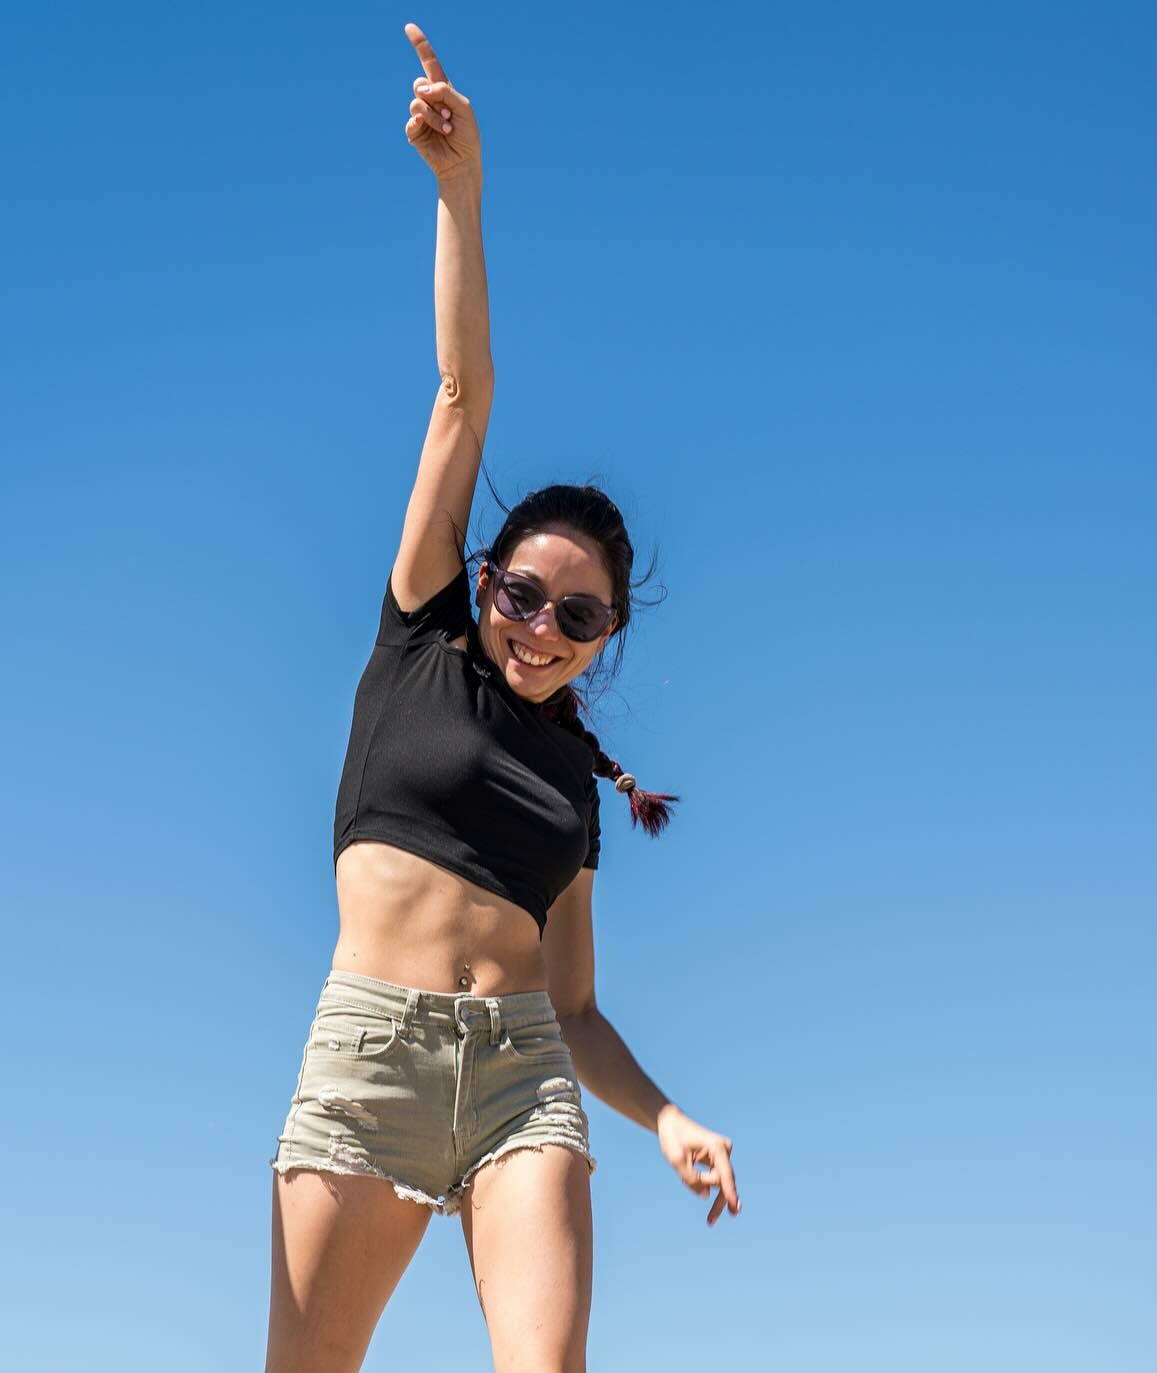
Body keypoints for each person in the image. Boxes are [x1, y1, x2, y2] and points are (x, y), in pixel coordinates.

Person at [265, 24, 740, 1372]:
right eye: (524, 593)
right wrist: (460, 191)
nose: (540, 628)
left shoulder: (577, 792)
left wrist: (668, 1118)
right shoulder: (419, 638)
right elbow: (461, 397)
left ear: (604, 642)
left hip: (525, 1078)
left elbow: (575, 1008)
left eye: (577, 617)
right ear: (483, 580)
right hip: (372, 1058)